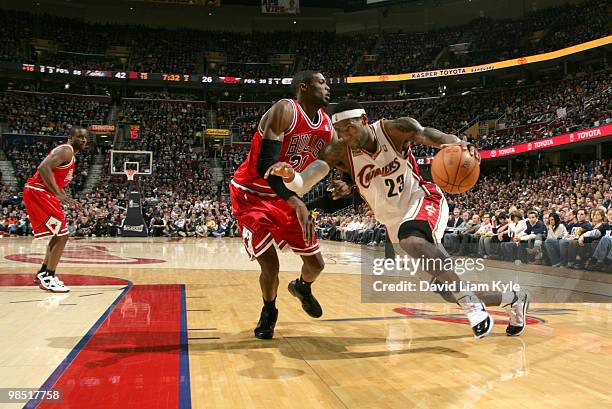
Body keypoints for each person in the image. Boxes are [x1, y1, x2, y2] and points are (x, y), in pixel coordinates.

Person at [266, 100, 529, 339]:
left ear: (364, 120)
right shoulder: (339, 150)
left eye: (350, 128)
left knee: (414, 240)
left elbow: (432, 136)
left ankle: (470, 302)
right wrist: (291, 175)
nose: (346, 135)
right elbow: (305, 181)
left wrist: (457, 143)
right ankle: (515, 298)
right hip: (392, 222)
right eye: (340, 130)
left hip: (422, 199)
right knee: (448, 290)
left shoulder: (394, 129)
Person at [230, 70, 333, 339]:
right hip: (252, 194)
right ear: (303, 88)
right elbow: (266, 166)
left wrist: (345, 181)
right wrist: (296, 202)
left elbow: (333, 161)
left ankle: (302, 287)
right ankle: (269, 309)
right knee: (271, 266)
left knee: (317, 264)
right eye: (321, 83)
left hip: (285, 195)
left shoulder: (326, 126)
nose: (327, 87)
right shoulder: (285, 110)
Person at [24, 127, 87, 293]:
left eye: (85, 138)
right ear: (71, 137)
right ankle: (49, 277)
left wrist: (65, 196)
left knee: (59, 234)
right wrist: (58, 193)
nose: (83, 140)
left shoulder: (70, 154)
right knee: (62, 235)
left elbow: (54, 177)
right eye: (80, 137)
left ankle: (43, 272)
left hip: (42, 193)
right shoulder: (66, 150)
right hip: (39, 192)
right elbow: (43, 168)